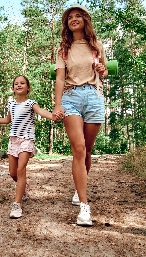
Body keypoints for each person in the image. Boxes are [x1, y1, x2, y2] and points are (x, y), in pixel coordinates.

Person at [52, 5, 108, 227]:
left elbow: (102, 73)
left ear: (85, 20)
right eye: (70, 18)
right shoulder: (64, 49)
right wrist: (57, 105)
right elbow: (59, 79)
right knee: (79, 149)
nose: (73, 20)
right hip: (71, 97)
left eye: (78, 16)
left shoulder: (97, 46)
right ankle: (84, 208)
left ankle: (79, 189)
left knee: (88, 151)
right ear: (66, 24)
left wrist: (102, 71)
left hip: (93, 96)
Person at [0, 75, 62, 219]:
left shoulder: (31, 103)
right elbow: (7, 120)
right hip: (13, 140)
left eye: (22, 83)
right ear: (13, 88)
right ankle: (23, 186)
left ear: (28, 87)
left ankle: (17, 205)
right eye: (16, 84)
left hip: (26, 139)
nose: (19, 85)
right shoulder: (11, 104)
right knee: (13, 173)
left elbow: (42, 112)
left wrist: (53, 116)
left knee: (20, 169)